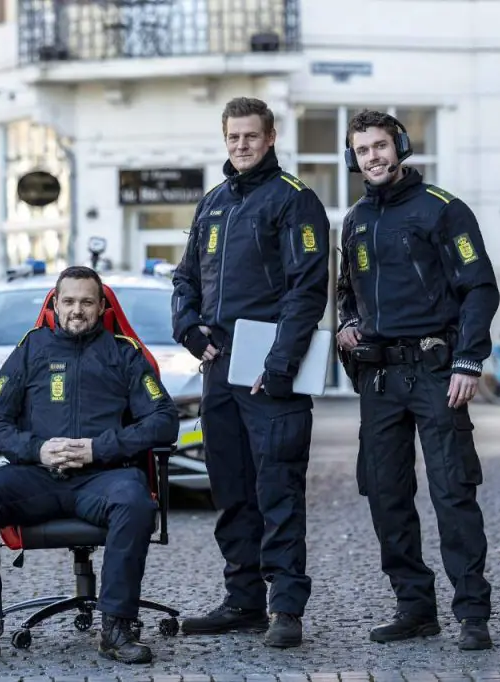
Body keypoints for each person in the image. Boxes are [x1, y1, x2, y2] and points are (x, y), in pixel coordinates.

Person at [0, 266, 180, 665]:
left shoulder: (123, 353)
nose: (78, 310)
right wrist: (37, 449)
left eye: (87, 302)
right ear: (55, 304)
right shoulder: (31, 349)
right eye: (70, 301)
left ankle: (116, 628)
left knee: (135, 503)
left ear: (102, 306)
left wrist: (98, 449)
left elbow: (164, 420)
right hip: (37, 477)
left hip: (104, 478)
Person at [335, 109, 499, 651]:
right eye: (363, 150)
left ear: (400, 146)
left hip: (436, 372)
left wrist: (468, 360)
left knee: (452, 491)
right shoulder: (355, 220)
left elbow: (480, 288)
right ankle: (414, 608)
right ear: (353, 158)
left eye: (381, 146)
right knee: (385, 494)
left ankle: (472, 612)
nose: (373, 157)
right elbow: (346, 291)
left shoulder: (443, 210)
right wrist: (347, 324)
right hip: (379, 379)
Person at [170, 97, 330, 648]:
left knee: (278, 489)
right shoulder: (213, 202)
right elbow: (185, 278)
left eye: (251, 136)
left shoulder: (294, 199)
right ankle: (242, 601)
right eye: (233, 137)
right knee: (231, 489)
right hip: (219, 369)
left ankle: (285, 607)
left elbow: (307, 289)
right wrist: (188, 329)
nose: (242, 145)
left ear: (270, 137)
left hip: (270, 372)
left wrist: (280, 362)